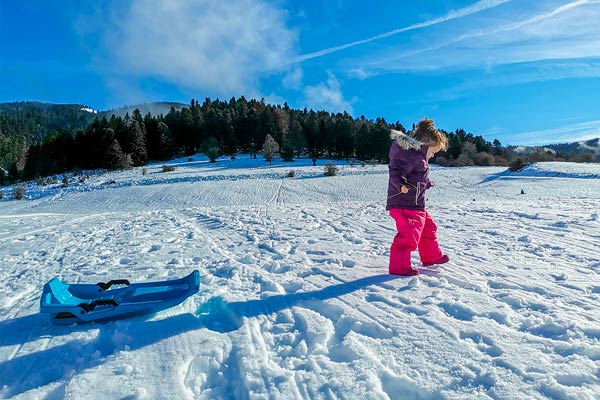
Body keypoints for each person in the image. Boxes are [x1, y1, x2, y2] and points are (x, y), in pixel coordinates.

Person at [386, 118, 449, 276]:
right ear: (425, 144)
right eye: (433, 151)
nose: (433, 155)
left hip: (416, 205)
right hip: (404, 204)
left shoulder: (420, 158)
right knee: (408, 236)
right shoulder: (410, 155)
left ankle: (431, 256)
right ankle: (399, 268)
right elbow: (396, 170)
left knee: (428, 228)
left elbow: (417, 176)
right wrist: (401, 184)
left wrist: (426, 184)